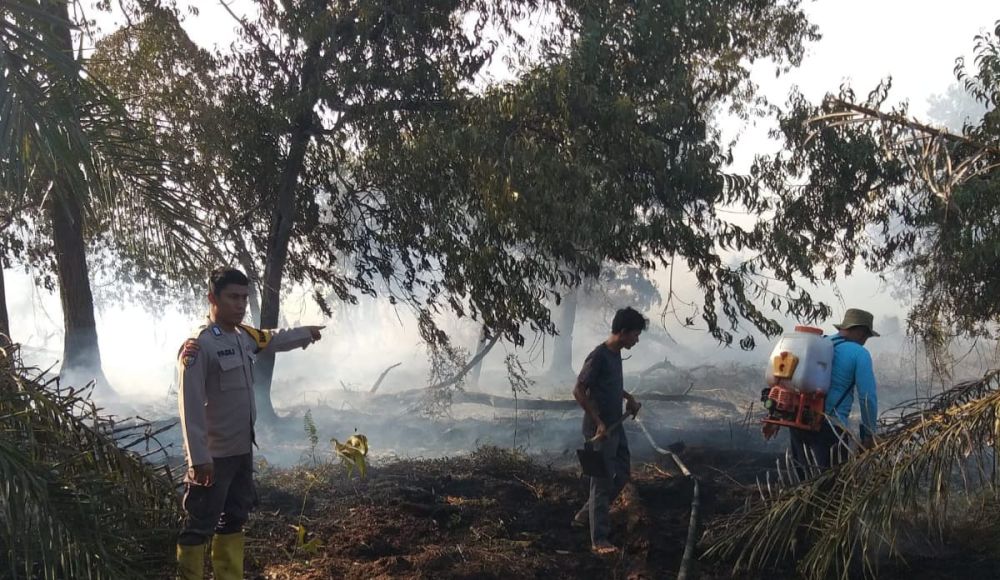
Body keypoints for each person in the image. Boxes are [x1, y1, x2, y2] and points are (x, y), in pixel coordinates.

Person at [175, 268, 324, 580]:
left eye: (244, 297)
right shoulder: (198, 347)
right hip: (213, 457)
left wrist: (305, 333)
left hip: (242, 450)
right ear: (212, 298)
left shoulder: (243, 337)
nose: (240, 304)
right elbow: (189, 407)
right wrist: (198, 459)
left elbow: (271, 339)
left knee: (234, 519)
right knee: (199, 525)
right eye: (233, 297)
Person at [571, 306, 646, 554]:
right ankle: (599, 540)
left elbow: (610, 385)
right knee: (600, 484)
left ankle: (586, 513)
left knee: (623, 472)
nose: (637, 340)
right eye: (635, 335)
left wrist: (629, 398)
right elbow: (579, 391)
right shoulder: (599, 356)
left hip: (616, 426)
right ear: (623, 332)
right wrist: (599, 421)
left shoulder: (615, 354)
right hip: (599, 431)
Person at [785, 308, 879, 474]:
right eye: (866, 336)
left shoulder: (820, 344)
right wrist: (868, 434)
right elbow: (867, 397)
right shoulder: (860, 353)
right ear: (860, 331)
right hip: (830, 427)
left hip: (799, 421)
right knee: (831, 487)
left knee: (803, 483)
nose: (865, 340)